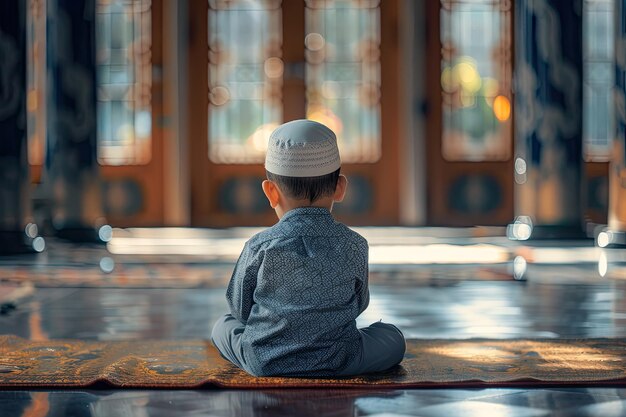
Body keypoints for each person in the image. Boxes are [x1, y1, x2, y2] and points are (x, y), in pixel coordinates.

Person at [211, 119, 405, 377]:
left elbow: (240, 310)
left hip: (265, 361)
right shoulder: (355, 244)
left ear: (271, 192)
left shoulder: (259, 245)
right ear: (340, 188)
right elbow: (359, 304)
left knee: (223, 326)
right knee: (392, 337)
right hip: (339, 359)